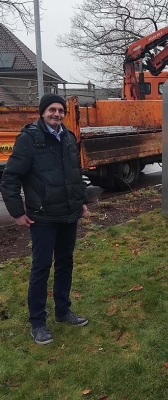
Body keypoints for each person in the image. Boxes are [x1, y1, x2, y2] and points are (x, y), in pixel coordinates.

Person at [0, 93, 89, 345]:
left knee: (65, 263)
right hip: (42, 217)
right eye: (52, 110)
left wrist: (82, 201)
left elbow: (75, 173)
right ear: (42, 112)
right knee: (40, 268)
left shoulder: (69, 138)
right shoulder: (29, 139)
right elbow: (10, 178)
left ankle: (63, 311)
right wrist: (17, 212)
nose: (57, 114)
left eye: (60, 110)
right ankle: (38, 323)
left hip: (68, 214)